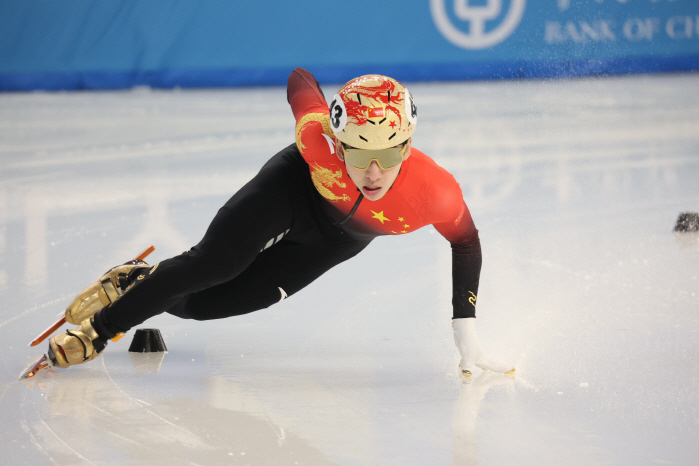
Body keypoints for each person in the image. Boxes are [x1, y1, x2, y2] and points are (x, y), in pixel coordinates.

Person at [48, 68, 514, 377]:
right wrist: (102, 329)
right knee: (215, 264)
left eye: (389, 155)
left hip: (336, 242)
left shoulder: (435, 191)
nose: (374, 173)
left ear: (407, 146)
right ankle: (99, 330)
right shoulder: (317, 139)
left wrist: (465, 331)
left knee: (214, 304)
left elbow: (467, 243)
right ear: (338, 141)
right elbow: (299, 80)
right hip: (293, 190)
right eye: (359, 154)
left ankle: (138, 282)